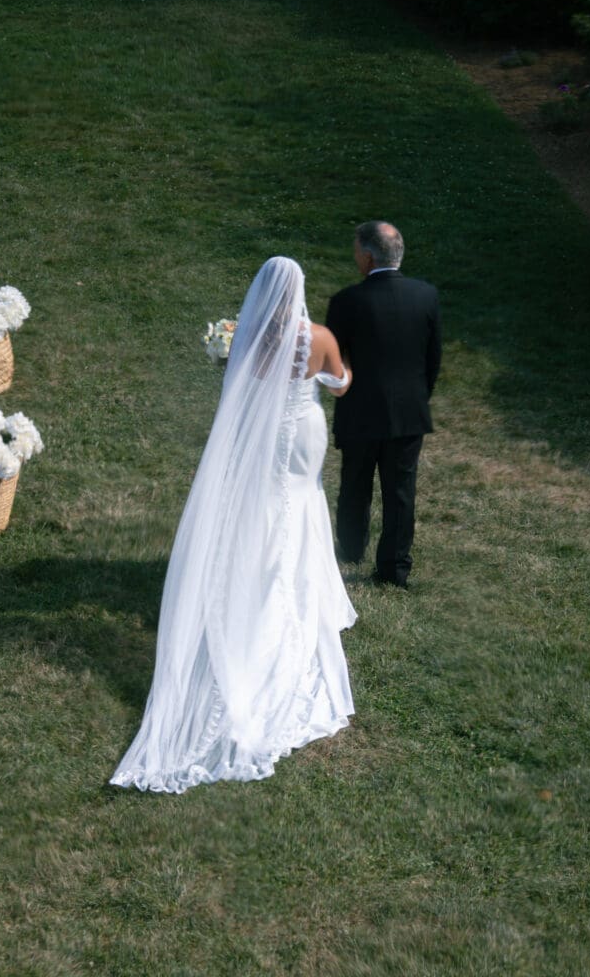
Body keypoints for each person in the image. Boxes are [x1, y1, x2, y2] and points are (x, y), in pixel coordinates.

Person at [110, 257, 356, 792]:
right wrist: (340, 372)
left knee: (268, 508)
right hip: (305, 433)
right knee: (304, 501)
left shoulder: (251, 336)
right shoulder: (318, 336)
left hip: (265, 442)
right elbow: (339, 383)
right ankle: (298, 588)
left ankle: (264, 573)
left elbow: (244, 392)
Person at [326, 221, 442, 589]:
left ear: (368, 256)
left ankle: (351, 549)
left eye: (355, 250)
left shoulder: (346, 301)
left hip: (359, 411)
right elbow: (433, 359)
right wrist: (418, 397)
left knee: (354, 484)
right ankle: (394, 567)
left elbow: (335, 362)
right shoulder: (426, 296)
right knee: (401, 492)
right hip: (408, 413)